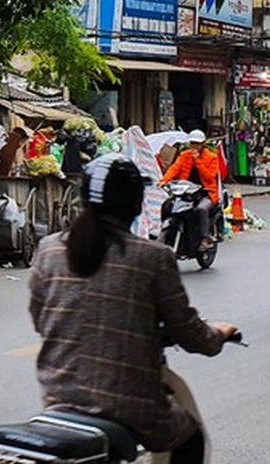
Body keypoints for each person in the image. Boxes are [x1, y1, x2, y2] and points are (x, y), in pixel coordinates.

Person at [30, 153, 236, 463]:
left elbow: (40, 318)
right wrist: (217, 334)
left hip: (58, 398)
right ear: (137, 204)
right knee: (190, 439)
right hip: (129, 405)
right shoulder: (153, 257)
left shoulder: (49, 249)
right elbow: (190, 334)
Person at [159, 129, 220, 250]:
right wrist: (163, 181)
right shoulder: (184, 155)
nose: (194, 146)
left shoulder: (212, 157)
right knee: (168, 205)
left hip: (206, 192)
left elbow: (210, 176)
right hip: (186, 191)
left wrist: (198, 161)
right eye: (192, 143)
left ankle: (205, 238)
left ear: (203, 144)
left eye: (197, 143)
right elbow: (174, 169)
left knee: (201, 209)